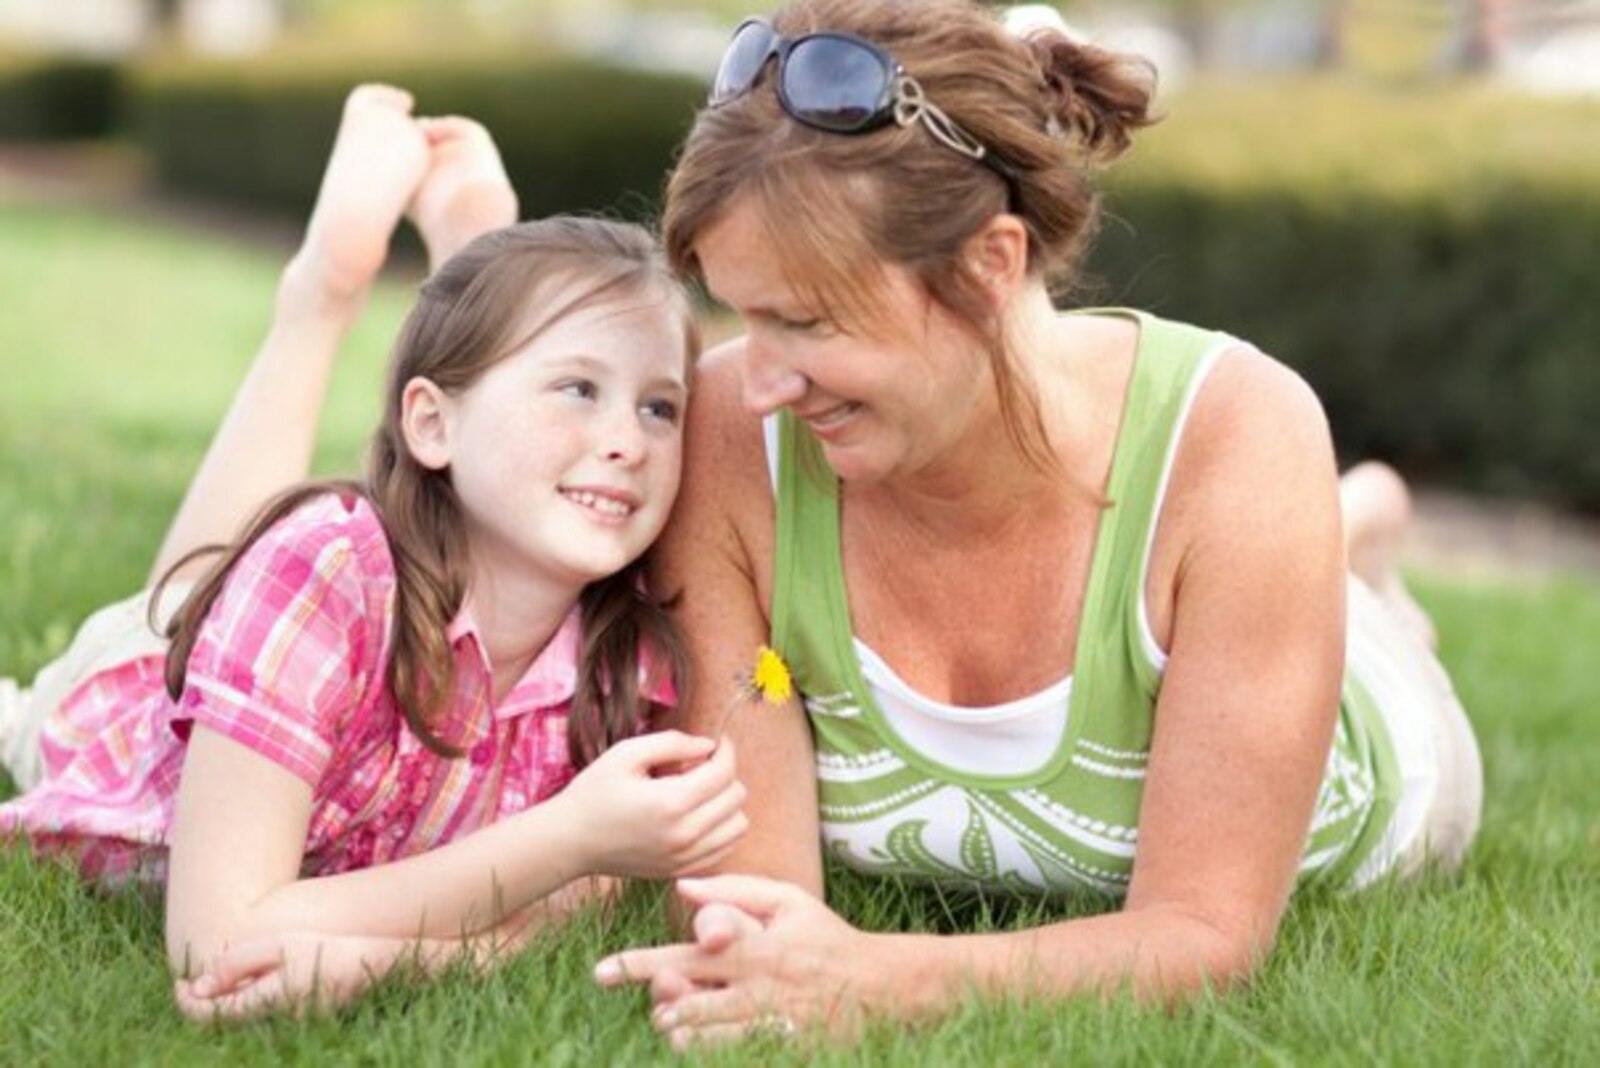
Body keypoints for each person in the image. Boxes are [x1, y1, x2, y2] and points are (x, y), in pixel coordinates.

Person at [590, 0, 1483, 1048]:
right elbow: (750, 912)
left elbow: (1201, 933)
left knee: (1311, 578)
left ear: (990, 265)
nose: (758, 383)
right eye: (744, 314)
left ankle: (1353, 543)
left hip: (1378, 740)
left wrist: (880, 977)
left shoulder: (1239, 433)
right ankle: (1343, 533)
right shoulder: (737, 443)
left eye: (807, 321)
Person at [0, 85, 747, 1019]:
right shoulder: (324, 574)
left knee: (239, 574)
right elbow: (218, 941)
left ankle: (477, 262)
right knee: (179, 601)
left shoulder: (630, 651)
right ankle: (324, 292)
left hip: (369, 599)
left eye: (659, 406)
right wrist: (568, 838)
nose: (630, 442)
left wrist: (375, 961)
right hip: (138, 709)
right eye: (577, 387)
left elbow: (559, 916)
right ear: (428, 422)